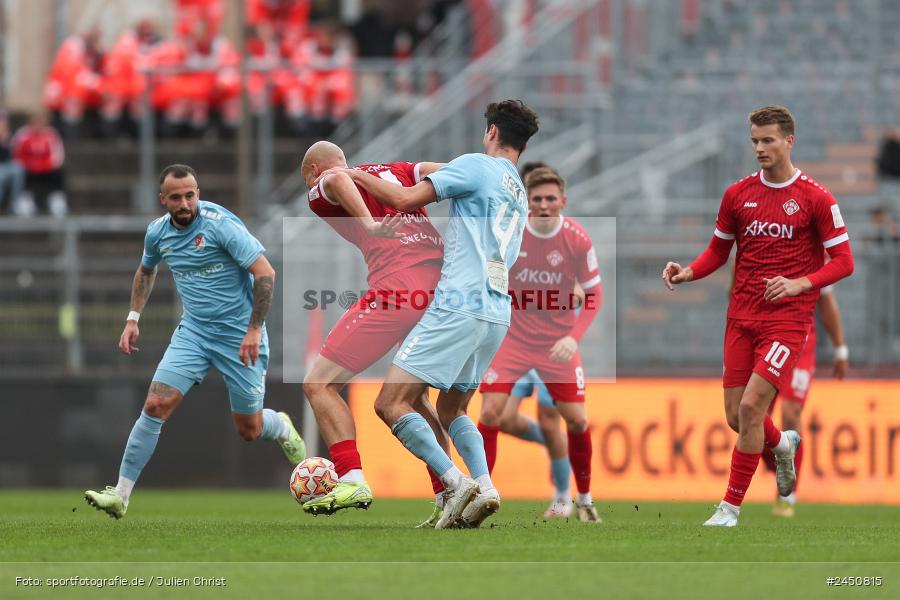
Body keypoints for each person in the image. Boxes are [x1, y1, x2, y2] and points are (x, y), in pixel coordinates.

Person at [338, 99, 539, 529]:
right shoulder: (518, 191)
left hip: (459, 303)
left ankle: (454, 482)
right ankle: (485, 486)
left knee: (391, 402)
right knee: (453, 409)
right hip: (497, 312)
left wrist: (353, 175)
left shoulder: (476, 165)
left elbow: (405, 197)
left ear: (491, 132)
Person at [662, 105, 854, 527]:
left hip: (787, 320)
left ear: (789, 141)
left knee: (751, 407)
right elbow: (718, 251)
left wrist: (802, 282)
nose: (760, 148)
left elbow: (844, 261)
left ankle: (729, 508)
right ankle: (782, 446)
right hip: (741, 316)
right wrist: (689, 271)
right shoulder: (738, 194)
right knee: (736, 417)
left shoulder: (816, 198)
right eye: (754, 141)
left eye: (768, 140)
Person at [84, 164, 305, 519]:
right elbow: (146, 269)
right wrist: (132, 318)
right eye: (176, 197)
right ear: (163, 200)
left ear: (198, 193)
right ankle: (120, 495)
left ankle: (279, 425)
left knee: (249, 430)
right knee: (155, 405)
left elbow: (265, 273)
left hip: (239, 336)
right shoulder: (157, 233)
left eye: (190, 195)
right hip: (195, 333)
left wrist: (253, 330)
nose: (185, 203)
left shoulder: (221, 226)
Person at [298, 141, 448, 516]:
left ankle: (350, 478)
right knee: (415, 400)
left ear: (312, 171)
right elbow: (452, 171)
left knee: (319, 383)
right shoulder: (398, 170)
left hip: (398, 286)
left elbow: (334, 178)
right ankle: (450, 490)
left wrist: (367, 223)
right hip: (440, 285)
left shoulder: (328, 178)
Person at [477, 166, 602, 523]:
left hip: (555, 347)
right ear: (527, 202)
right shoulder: (510, 236)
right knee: (491, 415)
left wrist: (572, 336)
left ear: (563, 200)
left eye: (551, 199)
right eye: (537, 199)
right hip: (513, 341)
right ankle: (482, 493)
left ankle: (581, 498)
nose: (544, 205)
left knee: (571, 422)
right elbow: (490, 280)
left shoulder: (577, 239)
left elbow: (595, 295)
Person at [769, 286, 847, 517]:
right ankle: (781, 463)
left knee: (791, 412)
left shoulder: (815, 252)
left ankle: (787, 496)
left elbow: (827, 301)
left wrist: (840, 349)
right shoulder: (758, 250)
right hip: (766, 334)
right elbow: (734, 285)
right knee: (754, 416)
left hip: (801, 338)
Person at [11, 112, 67, 216]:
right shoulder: (22, 134)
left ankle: (57, 200)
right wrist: (31, 165)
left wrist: (43, 166)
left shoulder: (52, 134)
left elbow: (58, 155)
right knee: (20, 172)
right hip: (28, 168)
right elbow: (17, 154)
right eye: (35, 122)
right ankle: (24, 200)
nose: (38, 124)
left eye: (40, 121)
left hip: (46, 168)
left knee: (58, 172)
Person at [0, 116, 25, 214]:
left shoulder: (9, 138)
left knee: (19, 169)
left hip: (7, 165)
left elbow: (11, 156)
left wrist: (5, 142)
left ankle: (14, 202)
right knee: (0, 176)